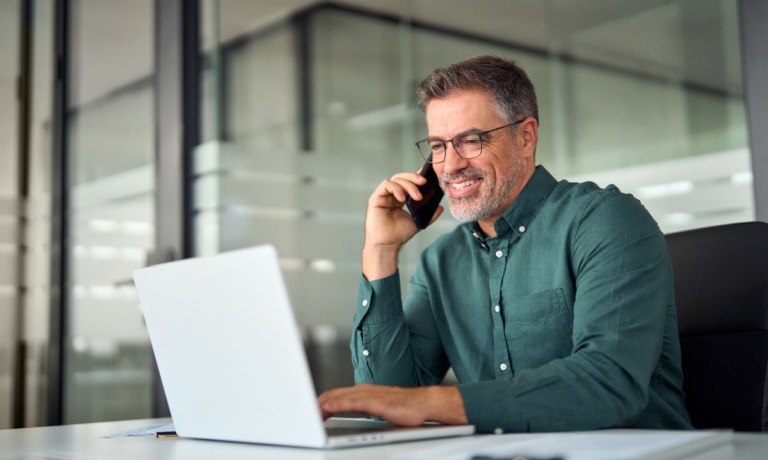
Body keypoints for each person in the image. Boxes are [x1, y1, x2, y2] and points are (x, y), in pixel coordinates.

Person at [317, 55, 693, 433]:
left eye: (470, 140)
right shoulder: (441, 262)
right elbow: (390, 398)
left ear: (526, 136)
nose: (449, 166)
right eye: (439, 146)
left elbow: (608, 382)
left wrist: (437, 402)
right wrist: (379, 251)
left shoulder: (603, 220)